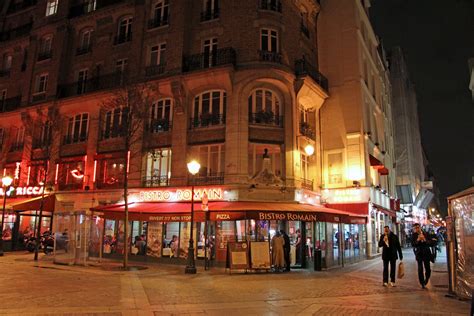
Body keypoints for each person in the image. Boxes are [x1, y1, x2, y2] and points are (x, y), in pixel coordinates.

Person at [412, 223, 434, 289]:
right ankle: (422, 283)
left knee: (428, 268)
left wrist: (424, 240)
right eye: (415, 228)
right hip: (419, 253)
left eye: (418, 227)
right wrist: (417, 240)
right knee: (420, 268)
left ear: (420, 227)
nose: (417, 229)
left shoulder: (426, 233)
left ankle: (426, 279)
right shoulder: (414, 235)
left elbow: (431, 243)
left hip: (426, 253)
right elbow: (413, 244)